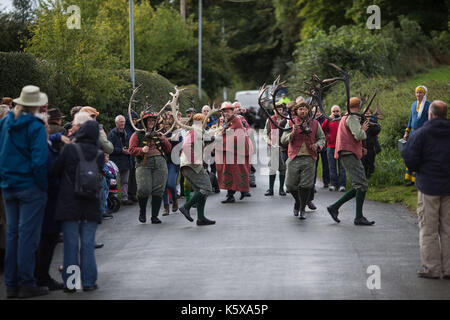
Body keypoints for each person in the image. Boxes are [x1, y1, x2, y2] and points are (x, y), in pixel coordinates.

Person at [0, 85, 49, 298]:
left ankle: (11, 285)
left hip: (8, 185)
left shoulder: (5, 123)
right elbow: (39, 162)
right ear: (36, 104)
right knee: (27, 236)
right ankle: (27, 283)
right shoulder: (36, 126)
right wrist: (43, 186)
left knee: (12, 235)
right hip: (29, 186)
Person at [51, 120, 104, 292]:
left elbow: (54, 171)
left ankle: (72, 283)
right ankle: (88, 282)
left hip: (69, 204)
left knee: (71, 246)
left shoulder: (69, 150)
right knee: (88, 245)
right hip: (90, 205)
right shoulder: (99, 154)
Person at [402, 100, 450, 279]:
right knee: (448, 228)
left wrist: (419, 170)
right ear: (446, 114)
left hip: (429, 186)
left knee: (428, 228)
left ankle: (432, 268)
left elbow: (409, 157)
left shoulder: (421, 133)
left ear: (430, 114)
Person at [327, 97, 375, 226]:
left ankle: (335, 207)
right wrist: (364, 129)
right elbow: (358, 135)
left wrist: (361, 147)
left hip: (347, 152)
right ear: (358, 106)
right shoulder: (352, 117)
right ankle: (357, 217)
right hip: (349, 154)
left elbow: (351, 136)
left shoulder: (345, 116)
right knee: (362, 185)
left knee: (359, 185)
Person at [34, 114, 69, 291]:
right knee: (47, 239)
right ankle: (41, 276)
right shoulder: (42, 148)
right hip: (48, 196)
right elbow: (48, 170)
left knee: (47, 239)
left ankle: (40, 275)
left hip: (48, 196)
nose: (48, 128)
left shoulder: (43, 143)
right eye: (46, 126)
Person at [281, 101, 326, 220]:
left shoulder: (315, 123)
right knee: (290, 185)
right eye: (300, 109)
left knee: (306, 185)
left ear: (308, 110)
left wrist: (317, 145)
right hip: (293, 157)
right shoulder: (290, 122)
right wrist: (292, 133)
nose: (302, 111)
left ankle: (302, 210)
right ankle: (299, 202)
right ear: (296, 111)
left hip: (309, 157)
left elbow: (322, 138)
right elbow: (283, 140)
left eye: (305, 109)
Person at [129, 109, 172, 224]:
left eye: (153, 120)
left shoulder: (159, 133)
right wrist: (141, 150)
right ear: (144, 121)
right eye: (149, 120)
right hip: (143, 163)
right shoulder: (137, 134)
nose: (151, 122)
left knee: (158, 190)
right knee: (144, 189)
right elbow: (131, 150)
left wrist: (163, 140)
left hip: (160, 163)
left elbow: (168, 149)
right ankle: (142, 212)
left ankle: (154, 216)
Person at [178, 113, 215, 225]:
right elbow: (186, 146)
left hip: (188, 165)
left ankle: (201, 218)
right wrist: (194, 160)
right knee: (207, 188)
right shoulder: (195, 131)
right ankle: (186, 207)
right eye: (205, 121)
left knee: (200, 190)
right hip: (191, 164)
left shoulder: (195, 131)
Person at [215, 102, 253, 203]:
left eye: (228, 111)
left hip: (238, 151)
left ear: (232, 111)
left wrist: (220, 137)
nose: (226, 113)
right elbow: (221, 132)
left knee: (238, 171)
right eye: (224, 112)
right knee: (229, 172)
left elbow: (234, 135)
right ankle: (233, 194)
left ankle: (238, 192)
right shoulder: (224, 121)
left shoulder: (236, 120)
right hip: (229, 151)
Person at [403, 86, 431, 186]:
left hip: (423, 134)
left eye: (420, 92)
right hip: (413, 134)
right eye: (417, 92)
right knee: (412, 155)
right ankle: (411, 179)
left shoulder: (429, 105)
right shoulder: (413, 104)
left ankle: (419, 179)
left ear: (424, 94)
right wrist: (407, 131)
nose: (418, 94)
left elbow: (430, 120)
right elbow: (411, 119)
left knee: (421, 156)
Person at [263, 102, 287, 196]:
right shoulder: (270, 120)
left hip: (284, 147)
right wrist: (268, 141)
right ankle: (270, 189)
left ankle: (281, 189)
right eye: (276, 109)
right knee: (273, 168)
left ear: (282, 110)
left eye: (280, 109)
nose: (278, 111)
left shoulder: (286, 120)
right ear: (273, 110)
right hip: (274, 146)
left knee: (283, 168)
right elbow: (265, 132)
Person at [108, 115, 133, 206]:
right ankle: (113, 200)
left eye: (123, 122)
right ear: (116, 123)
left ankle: (124, 198)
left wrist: (129, 150)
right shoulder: (111, 134)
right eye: (121, 122)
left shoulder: (127, 133)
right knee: (114, 181)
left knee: (125, 182)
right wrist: (121, 150)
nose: (123, 123)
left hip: (126, 161)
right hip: (116, 162)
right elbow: (110, 149)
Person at [321, 105, 346, 192]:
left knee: (342, 166)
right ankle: (333, 184)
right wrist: (328, 119)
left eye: (337, 111)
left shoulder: (343, 120)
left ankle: (342, 184)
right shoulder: (328, 120)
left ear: (340, 111)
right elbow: (322, 129)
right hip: (330, 146)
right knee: (332, 167)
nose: (335, 113)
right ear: (331, 113)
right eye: (333, 111)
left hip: (341, 146)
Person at [162, 112, 183, 215]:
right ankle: (166, 207)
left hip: (173, 161)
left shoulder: (176, 132)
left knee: (170, 183)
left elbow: (180, 144)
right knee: (163, 185)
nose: (166, 126)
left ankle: (174, 199)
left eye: (168, 121)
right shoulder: (159, 132)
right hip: (162, 161)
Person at [361, 108, 381, 179]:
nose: (367, 115)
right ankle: (364, 177)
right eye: (365, 114)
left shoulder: (374, 122)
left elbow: (377, 130)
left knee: (371, 162)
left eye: (368, 114)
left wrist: (370, 123)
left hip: (371, 146)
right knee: (363, 163)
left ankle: (371, 177)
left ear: (371, 114)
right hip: (363, 146)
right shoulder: (361, 122)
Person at [125, 111, 139, 203]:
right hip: (125, 157)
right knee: (127, 178)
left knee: (134, 176)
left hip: (134, 156)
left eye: (135, 120)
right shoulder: (125, 129)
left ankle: (133, 194)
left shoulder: (136, 129)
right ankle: (127, 196)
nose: (134, 121)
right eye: (132, 119)